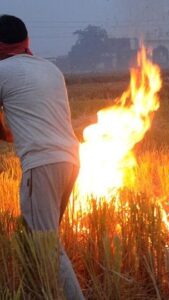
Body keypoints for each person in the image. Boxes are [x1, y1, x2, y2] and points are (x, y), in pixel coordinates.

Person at [0, 15, 84, 299]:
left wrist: (5, 134)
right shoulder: (51, 69)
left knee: (47, 245)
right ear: (27, 41)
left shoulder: (3, 71)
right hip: (71, 160)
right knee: (35, 238)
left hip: (42, 164)